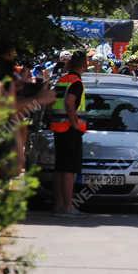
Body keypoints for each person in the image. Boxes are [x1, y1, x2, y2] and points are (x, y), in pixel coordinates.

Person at [49, 50, 87, 216]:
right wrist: (76, 124)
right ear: (84, 65)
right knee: (69, 170)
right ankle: (67, 207)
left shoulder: (62, 79)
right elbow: (70, 103)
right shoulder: (76, 82)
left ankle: (58, 206)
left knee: (60, 168)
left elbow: (51, 103)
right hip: (69, 130)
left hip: (58, 128)